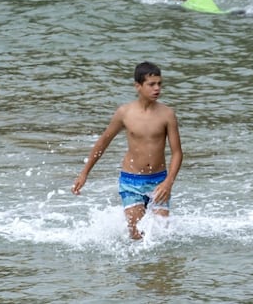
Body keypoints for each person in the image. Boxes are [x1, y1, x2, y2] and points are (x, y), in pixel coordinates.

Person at [72, 61, 183, 241]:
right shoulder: (125, 113)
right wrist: (84, 173)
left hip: (159, 181)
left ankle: (160, 269)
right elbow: (103, 143)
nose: (157, 89)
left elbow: (177, 152)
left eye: (159, 84)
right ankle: (136, 268)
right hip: (131, 181)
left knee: (162, 236)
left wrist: (169, 182)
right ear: (138, 86)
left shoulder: (167, 114)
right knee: (137, 235)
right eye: (151, 84)